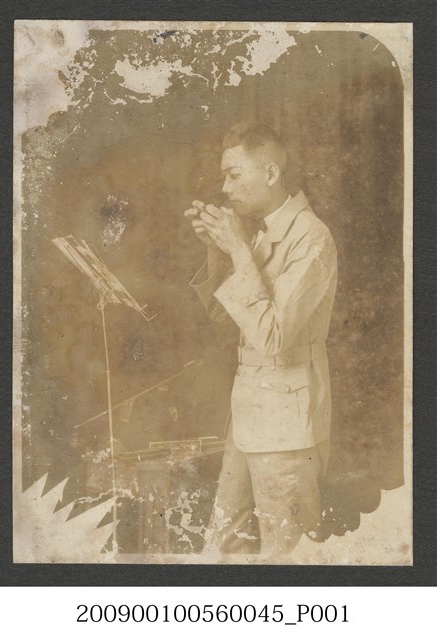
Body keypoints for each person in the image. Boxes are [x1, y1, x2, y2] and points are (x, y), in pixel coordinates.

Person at [184, 121, 337, 558]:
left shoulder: (312, 237)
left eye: (234, 174)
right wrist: (218, 249)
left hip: (288, 424)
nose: (224, 188)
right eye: (224, 176)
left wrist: (237, 249)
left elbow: (272, 338)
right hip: (249, 416)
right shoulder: (261, 231)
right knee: (225, 547)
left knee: (284, 555)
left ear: (271, 173)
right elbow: (224, 315)